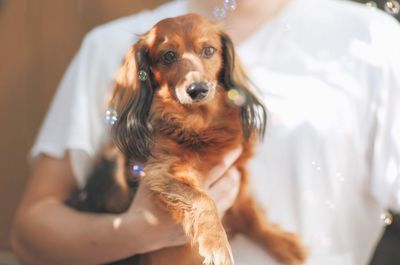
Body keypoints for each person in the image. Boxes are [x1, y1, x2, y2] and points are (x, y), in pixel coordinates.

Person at [10, 0, 400, 264]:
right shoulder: (110, 45)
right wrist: (139, 232)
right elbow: (28, 235)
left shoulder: (373, 41)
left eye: (207, 52)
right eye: (169, 58)